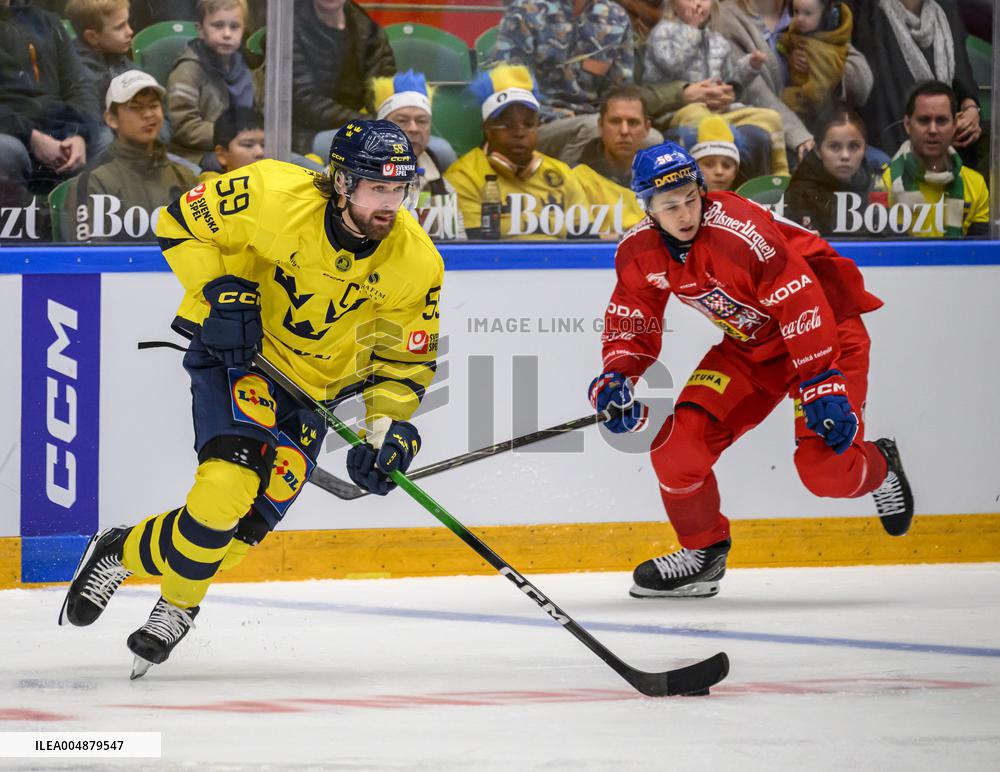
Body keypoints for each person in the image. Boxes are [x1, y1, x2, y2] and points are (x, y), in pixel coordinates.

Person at [58, 119, 443, 677]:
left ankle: (121, 550)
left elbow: (405, 364)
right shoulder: (269, 193)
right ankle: (179, 606)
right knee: (224, 489)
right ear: (340, 183)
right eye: (375, 188)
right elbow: (178, 223)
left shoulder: (417, 262)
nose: (389, 204)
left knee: (238, 535)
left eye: (398, 189)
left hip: (314, 394)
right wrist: (217, 290)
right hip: (240, 360)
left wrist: (388, 433)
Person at [587, 141, 913, 598]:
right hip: (754, 346)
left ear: (702, 192)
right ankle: (704, 553)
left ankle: (882, 465)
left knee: (826, 473)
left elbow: (801, 299)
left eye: (690, 200)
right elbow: (634, 316)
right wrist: (618, 376)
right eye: (668, 206)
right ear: (648, 209)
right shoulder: (639, 252)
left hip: (825, 333)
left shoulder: (742, 232)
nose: (684, 215)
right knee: (678, 448)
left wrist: (820, 379)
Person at [445, 65, 594, 240]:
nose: (519, 133)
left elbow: (587, 239)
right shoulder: (462, 177)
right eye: (507, 125)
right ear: (487, 129)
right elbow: (476, 249)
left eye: (528, 124)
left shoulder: (562, 174)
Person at [644, 0, 790, 175]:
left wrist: (749, 66)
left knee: (770, 117)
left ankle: (780, 175)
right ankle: (699, 178)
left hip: (718, 111)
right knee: (700, 117)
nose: (697, 4)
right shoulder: (663, 31)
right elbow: (671, 64)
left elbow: (729, 79)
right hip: (679, 110)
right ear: (673, 5)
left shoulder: (717, 39)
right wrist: (691, 30)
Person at [717, 0, 873, 163]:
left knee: (879, 164)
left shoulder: (809, 5)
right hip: (777, 142)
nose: (800, 17)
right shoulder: (727, 19)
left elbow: (861, 85)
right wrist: (800, 138)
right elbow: (756, 94)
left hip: (830, 130)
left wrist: (819, 62)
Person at [493, 0, 645, 165]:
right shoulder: (525, 11)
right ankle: (565, 185)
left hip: (596, 121)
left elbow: (621, 92)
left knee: (651, 140)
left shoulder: (616, 17)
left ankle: (614, 189)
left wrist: (615, 121)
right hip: (538, 124)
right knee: (591, 131)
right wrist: (556, 114)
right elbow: (509, 88)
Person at [64, 70, 197, 242]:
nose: (148, 114)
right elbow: (90, 259)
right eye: (135, 107)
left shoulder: (185, 177)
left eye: (154, 105)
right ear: (111, 119)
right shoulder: (92, 183)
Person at [852, 0, 982, 161]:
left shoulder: (946, 8)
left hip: (944, 153)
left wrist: (971, 110)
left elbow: (962, 75)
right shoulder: (865, 10)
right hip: (888, 153)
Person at [0, 0, 100, 189]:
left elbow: (80, 85)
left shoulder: (46, 22)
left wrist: (79, 135)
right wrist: (31, 137)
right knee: (6, 152)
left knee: (107, 143)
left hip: (60, 133)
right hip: (12, 134)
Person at [881, 81, 989, 238]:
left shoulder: (976, 185)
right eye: (924, 120)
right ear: (907, 124)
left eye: (941, 121)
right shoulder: (885, 183)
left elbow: (980, 256)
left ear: (954, 125)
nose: (933, 130)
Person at [292, 0, 395, 155]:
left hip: (365, 124)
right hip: (309, 133)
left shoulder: (366, 27)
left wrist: (380, 121)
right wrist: (367, 122)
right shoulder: (291, 29)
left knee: (441, 151)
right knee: (381, 148)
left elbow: (383, 86)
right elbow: (305, 100)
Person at [373, 70, 466, 241]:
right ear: (381, 126)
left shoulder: (442, 186)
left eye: (422, 121)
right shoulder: (350, 175)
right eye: (402, 120)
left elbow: (458, 241)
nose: (414, 128)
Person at [167, 0, 259, 167]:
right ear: (200, 29)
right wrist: (232, 136)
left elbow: (261, 111)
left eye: (234, 27)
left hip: (249, 147)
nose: (227, 34)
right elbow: (184, 127)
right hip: (201, 154)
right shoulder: (187, 70)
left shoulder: (246, 68)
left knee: (296, 166)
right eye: (218, 25)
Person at [785, 108, 882, 234]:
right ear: (818, 150)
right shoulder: (800, 194)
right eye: (834, 146)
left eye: (854, 146)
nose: (845, 156)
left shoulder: (875, 186)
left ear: (865, 149)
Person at [572, 85, 649, 235]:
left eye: (633, 122)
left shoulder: (663, 181)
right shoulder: (576, 180)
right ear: (600, 126)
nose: (624, 131)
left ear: (647, 129)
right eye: (615, 121)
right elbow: (583, 243)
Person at [776, 0, 851, 123]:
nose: (799, 18)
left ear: (826, 14)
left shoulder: (825, 50)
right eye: (796, 12)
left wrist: (799, 97)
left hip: (815, 113)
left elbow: (819, 90)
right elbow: (788, 40)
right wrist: (789, 54)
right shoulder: (800, 30)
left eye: (807, 13)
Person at [66, 0, 136, 109]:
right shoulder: (80, 77)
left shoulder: (119, 58)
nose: (130, 31)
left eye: (127, 23)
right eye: (119, 27)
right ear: (92, 37)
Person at [200, 105, 264, 182]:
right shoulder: (210, 190)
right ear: (222, 154)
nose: (260, 152)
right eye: (248, 145)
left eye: (264, 145)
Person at [689, 114, 741, 191]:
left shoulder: (746, 203)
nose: (719, 172)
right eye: (709, 165)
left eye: (727, 166)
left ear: (735, 173)